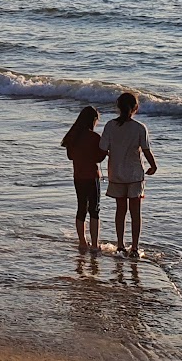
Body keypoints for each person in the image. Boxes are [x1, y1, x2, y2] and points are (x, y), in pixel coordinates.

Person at [100, 92, 158, 258]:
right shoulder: (139, 128)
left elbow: (103, 149)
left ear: (118, 107)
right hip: (134, 174)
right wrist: (153, 166)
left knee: (120, 210)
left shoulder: (110, 126)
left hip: (116, 173)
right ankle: (134, 247)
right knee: (135, 212)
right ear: (136, 108)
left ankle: (120, 245)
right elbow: (146, 150)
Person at [61, 106, 108, 250]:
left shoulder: (73, 136)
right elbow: (99, 158)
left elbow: (70, 156)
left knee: (81, 208)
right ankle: (94, 244)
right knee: (94, 209)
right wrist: (105, 151)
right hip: (92, 176)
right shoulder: (94, 137)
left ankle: (82, 241)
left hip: (78, 176)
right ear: (93, 120)